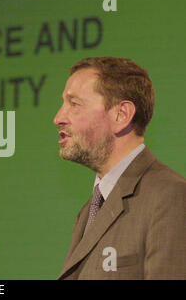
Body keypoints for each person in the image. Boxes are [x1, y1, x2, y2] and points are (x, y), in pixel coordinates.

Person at [53, 57, 185, 280]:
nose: (58, 118)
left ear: (121, 115)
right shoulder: (90, 210)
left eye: (74, 104)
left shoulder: (170, 197)